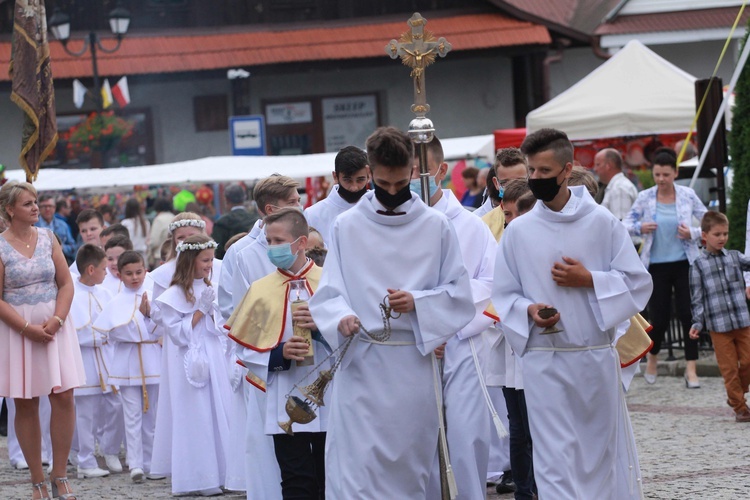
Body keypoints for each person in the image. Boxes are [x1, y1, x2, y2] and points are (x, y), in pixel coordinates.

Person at [308, 126, 475, 498]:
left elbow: (460, 296)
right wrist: (341, 318)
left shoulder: (436, 226)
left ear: (414, 173)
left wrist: (419, 302)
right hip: (362, 364)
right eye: (384, 183)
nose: (394, 192)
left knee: (410, 468)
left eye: (401, 183)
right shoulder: (346, 226)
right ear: (371, 174)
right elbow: (329, 292)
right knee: (358, 467)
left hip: (412, 366)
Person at [492, 128, 653, 499]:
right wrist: (528, 309)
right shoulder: (520, 231)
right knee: (552, 461)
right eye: (531, 171)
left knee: (598, 457)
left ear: (567, 170)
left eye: (544, 172)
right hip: (544, 362)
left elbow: (638, 284)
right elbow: (503, 293)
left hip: (592, 359)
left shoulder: (602, 223)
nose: (535, 179)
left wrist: (590, 280)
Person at [410, 137, 498, 500]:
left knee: (465, 436)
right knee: (417, 440)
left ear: (441, 171)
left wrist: (450, 326)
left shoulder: (472, 227)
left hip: (462, 346)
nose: (410, 179)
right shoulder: (397, 225)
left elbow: (492, 284)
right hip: (412, 347)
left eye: (416, 171)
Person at [228, 208, 329, 499]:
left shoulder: (330, 282)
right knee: (295, 477)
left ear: (300, 243)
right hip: (285, 394)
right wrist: (279, 354)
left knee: (330, 474)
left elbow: (354, 336)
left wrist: (322, 330)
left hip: (331, 393)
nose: (271, 247)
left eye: (277, 241)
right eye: (268, 241)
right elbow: (243, 347)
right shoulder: (260, 290)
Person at [0, 181, 86, 500]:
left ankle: (59, 474)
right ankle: (37, 479)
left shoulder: (49, 238)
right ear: (10, 210)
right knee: (25, 402)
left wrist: (57, 319)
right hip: (17, 330)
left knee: (64, 397)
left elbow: (66, 283)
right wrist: (26, 328)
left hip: (55, 325)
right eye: (28, 204)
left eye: (36, 202)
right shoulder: (0, 246)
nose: (36, 207)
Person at [152, 235, 232, 496]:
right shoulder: (172, 295)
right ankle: (200, 477)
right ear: (190, 261)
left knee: (219, 409)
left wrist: (212, 312)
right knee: (196, 414)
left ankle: (224, 471)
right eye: (205, 260)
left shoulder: (213, 285)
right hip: (189, 361)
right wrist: (199, 311)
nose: (211, 265)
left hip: (213, 354)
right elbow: (176, 334)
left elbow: (221, 326)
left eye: (211, 259)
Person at [624, 147, 707, 387]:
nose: (661, 179)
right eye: (657, 174)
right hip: (655, 265)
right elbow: (625, 223)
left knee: (688, 316)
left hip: (685, 263)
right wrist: (641, 227)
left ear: (675, 173)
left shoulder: (688, 195)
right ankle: (653, 358)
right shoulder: (645, 197)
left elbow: (710, 222)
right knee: (658, 319)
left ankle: (691, 369)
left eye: (666, 175)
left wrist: (692, 232)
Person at [93, 251, 160, 483]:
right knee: (131, 415)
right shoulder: (116, 302)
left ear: (146, 271)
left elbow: (163, 329)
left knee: (153, 415)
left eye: (139, 272)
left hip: (153, 359)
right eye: (129, 274)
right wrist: (140, 325)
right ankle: (136, 464)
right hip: (127, 362)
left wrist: (148, 315)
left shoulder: (155, 297)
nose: (135, 278)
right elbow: (116, 333)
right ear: (119, 275)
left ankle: (152, 462)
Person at [689, 212, 750, 422]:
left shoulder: (734, 256)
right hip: (718, 326)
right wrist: (697, 322)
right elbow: (697, 297)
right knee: (730, 369)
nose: (722, 238)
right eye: (717, 234)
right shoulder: (698, 265)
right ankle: (740, 408)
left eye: (725, 233)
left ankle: (736, 397)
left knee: (748, 361)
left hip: (742, 321)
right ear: (704, 236)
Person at [69, 244, 115, 479]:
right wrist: (99, 336)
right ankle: (85, 460)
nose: (107, 273)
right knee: (85, 413)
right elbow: (76, 331)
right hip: (84, 360)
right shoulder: (71, 294)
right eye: (103, 268)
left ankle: (110, 452)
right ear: (90, 269)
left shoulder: (104, 293)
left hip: (105, 360)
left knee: (111, 408)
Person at [305, 145, 371, 246]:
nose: (354, 187)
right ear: (335, 176)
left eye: (360, 180)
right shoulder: (313, 215)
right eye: (347, 180)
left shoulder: (380, 208)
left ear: (369, 176)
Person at [212, 183, 257, 259]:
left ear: (226, 200)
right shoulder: (255, 219)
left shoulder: (221, 222)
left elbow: (217, 250)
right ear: (244, 198)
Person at [593, 148, 638, 220]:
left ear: (608, 166)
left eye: (598, 164)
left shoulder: (619, 189)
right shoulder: (617, 186)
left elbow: (621, 224)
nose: (595, 169)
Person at [36, 194, 77, 264]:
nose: (47, 209)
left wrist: (61, 248)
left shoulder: (63, 225)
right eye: (44, 206)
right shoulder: (33, 225)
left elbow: (73, 247)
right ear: (39, 208)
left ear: (54, 208)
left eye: (50, 206)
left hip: (61, 264)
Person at [69, 209, 105, 278]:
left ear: (103, 228)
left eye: (93, 229)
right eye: (84, 231)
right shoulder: (76, 267)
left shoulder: (114, 257)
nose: (88, 234)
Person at [121, 198, 151, 264]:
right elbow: (148, 240)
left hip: (129, 255)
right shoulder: (146, 223)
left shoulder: (125, 223)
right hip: (143, 255)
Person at [147, 197, 173, 270]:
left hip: (160, 256)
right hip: (173, 254)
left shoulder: (159, 219)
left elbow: (154, 241)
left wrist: (149, 248)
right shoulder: (173, 217)